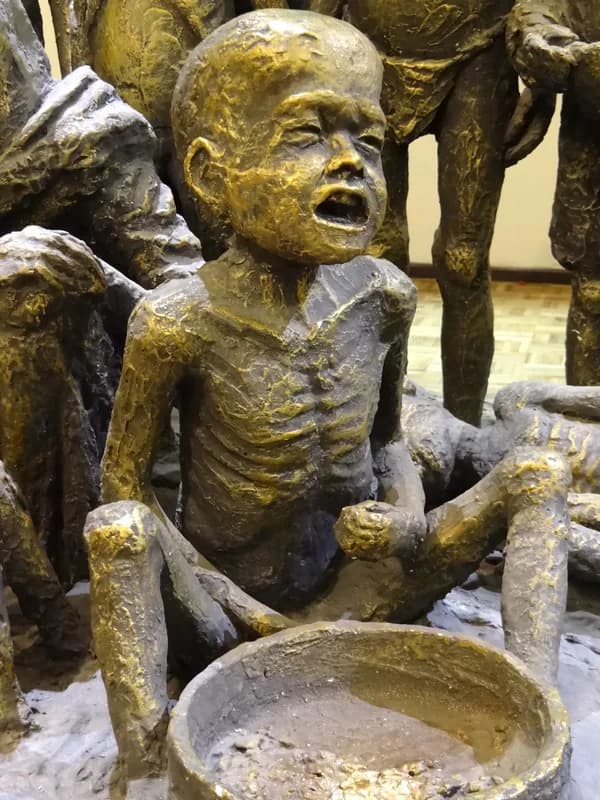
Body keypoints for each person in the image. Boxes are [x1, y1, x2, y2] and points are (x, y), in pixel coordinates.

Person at [86, 11, 574, 780]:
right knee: (117, 532)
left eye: (369, 141)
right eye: (308, 135)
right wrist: (234, 603)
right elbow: (124, 486)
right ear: (211, 174)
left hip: (359, 590)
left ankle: (535, 713)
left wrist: (406, 519)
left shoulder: (383, 297)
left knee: (538, 475)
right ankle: (146, 765)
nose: (350, 163)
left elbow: (388, 444)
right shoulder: (178, 322)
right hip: (227, 619)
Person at [308, 0, 556, 425]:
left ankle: (464, 428)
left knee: (463, 261)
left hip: (479, 42)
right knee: (378, 254)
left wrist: (539, 70)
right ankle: (380, 425)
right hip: (370, 42)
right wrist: (314, 42)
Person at [507, 0, 600, 385]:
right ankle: (585, 414)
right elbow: (540, 11)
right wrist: (548, 43)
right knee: (593, 294)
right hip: (592, 149)